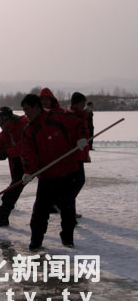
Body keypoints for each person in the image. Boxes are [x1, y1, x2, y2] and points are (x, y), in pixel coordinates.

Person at [20, 94, 86, 250]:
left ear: (37, 107)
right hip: (47, 177)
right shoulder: (29, 130)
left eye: (28, 110)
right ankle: (36, 242)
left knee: (68, 210)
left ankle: (67, 239)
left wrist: (81, 139)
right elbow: (28, 153)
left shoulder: (59, 117)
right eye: (23, 111)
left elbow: (80, 125)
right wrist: (29, 171)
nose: (26, 114)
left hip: (67, 173)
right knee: (39, 214)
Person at [69, 92, 91, 220]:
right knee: (76, 183)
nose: (84, 104)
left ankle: (69, 209)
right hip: (72, 156)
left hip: (80, 154)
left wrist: (86, 154)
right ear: (76, 103)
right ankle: (67, 209)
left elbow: (84, 136)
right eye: (82, 102)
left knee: (77, 182)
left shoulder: (82, 116)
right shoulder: (71, 117)